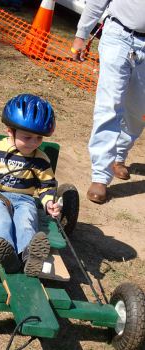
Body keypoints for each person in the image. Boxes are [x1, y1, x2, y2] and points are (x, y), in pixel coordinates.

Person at [0, 93, 62, 276]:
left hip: (25, 200)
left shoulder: (41, 159)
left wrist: (49, 202)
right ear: (10, 130)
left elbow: (47, 185)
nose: (34, 143)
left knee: (26, 222)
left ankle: (29, 257)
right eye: (27, 137)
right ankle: (5, 256)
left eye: (39, 138)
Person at [71, 0, 145, 203]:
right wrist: (81, 35)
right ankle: (100, 177)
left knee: (139, 112)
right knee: (110, 106)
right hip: (119, 36)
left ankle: (119, 155)